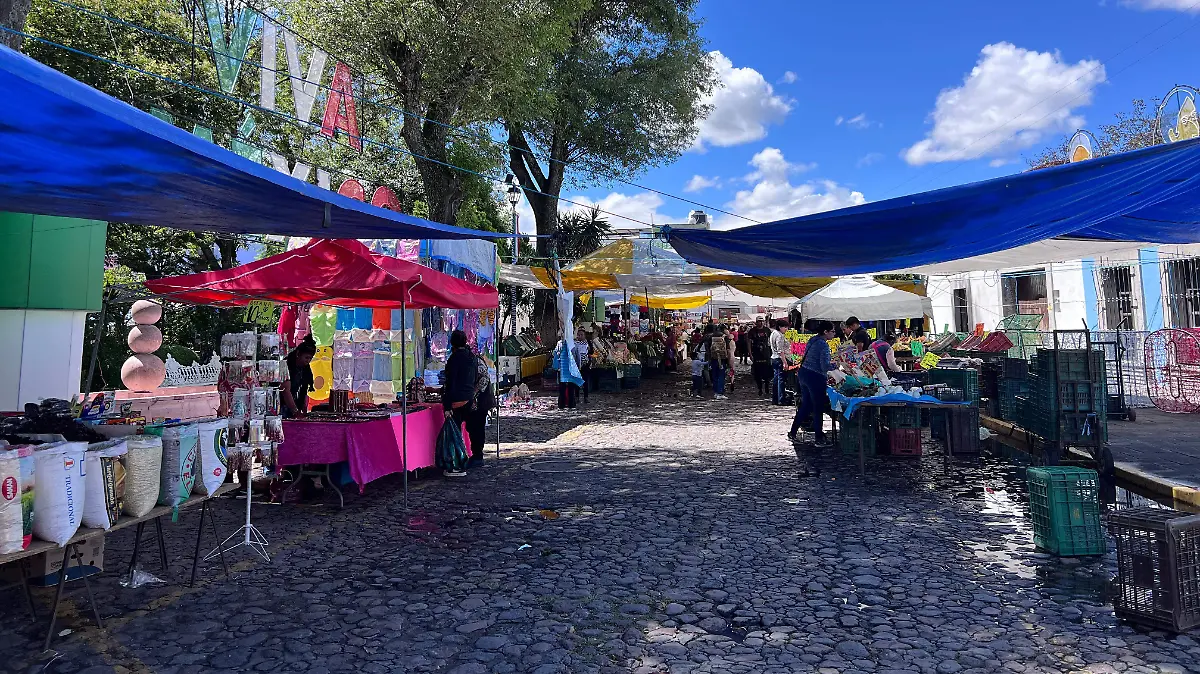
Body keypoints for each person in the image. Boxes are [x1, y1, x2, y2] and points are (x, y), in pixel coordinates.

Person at [443, 330, 494, 471]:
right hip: (469, 399)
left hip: (479, 400)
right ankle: (468, 456)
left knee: (475, 428)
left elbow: (484, 379)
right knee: (473, 428)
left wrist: (473, 393)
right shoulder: (470, 358)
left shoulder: (470, 359)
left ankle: (476, 456)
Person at [789, 321, 839, 447]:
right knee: (818, 407)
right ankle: (818, 438)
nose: (834, 333)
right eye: (832, 331)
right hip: (815, 377)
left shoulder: (813, 339)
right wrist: (836, 364)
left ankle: (793, 432)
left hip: (804, 373)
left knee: (806, 405)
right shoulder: (823, 345)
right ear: (825, 332)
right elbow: (824, 366)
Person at [281, 335, 316, 418]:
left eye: (310, 358)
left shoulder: (305, 369)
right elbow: (286, 391)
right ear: (298, 354)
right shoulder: (286, 365)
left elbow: (304, 390)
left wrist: (303, 410)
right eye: (306, 357)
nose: (308, 361)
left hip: (293, 406)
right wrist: (295, 411)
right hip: (282, 407)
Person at [706, 324, 732, 399]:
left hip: (713, 358)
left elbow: (708, 348)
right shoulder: (724, 337)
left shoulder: (710, 337)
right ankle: (720, 393)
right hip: (723, 359)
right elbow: (728, 350)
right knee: (721, 375)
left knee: (714, 375)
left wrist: (709, 358)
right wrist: (729, 360)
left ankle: (716, 392)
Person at [747, 318, 772, 397]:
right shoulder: (752, 331)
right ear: (756, 322)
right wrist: (750, 353)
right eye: (759, 321)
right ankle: (760, 388)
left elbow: (770, 341)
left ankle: (767, 387)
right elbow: (749, 342)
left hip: (766, 353)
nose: (760, 323)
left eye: (762, 321)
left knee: (767, 372)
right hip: (756, 353)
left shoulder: (767, 330)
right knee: (757, 373)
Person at [769, 319, 790, 405]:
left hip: (774, 358)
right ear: (780, 327)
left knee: (776, 379)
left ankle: (775, 399)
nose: (786, 329)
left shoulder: (773, 333)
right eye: (785, 327)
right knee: (781, 380)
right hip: (778, 359)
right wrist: (785, 362)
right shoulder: (779, 336)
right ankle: (781, 399)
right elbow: (780, 350)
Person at [573, 327, 591, 404]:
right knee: (577, 381)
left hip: (585, 365)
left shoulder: (588, 343)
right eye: (578, 335)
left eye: (581, 335)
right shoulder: (575, 344)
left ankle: (586, 397)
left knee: (585, 381)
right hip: (577, 365)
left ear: (584, 336)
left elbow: (591, 352)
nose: (580, 336)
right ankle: (577, 397)